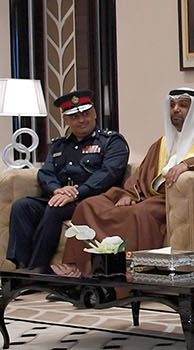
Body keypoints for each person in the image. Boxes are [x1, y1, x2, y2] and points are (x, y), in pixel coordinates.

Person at [52, 88, 194, 276]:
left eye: (183, 105)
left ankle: (130, 273)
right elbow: (141, 174)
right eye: (172, 105)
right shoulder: (162, 143)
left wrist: (187, 165)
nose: (176, 110)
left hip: (168, 201)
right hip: (145, 196)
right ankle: (77, 269)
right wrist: (129, 194)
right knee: (88, 205)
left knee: (139, 213)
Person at [7, 90, 129, 272]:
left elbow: (108, 174)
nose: (81, 120)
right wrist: (57, 190)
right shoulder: (59, 145)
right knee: (23, 206)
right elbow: (46, 173)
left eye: (86, 114)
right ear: (66, 120)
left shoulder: (111, 141)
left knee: (55, 208)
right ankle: (20, 267)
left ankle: (38, 268)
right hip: (62, 197)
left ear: (94, 113)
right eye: (74, 117)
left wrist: (77, 193)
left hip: (93, 200)